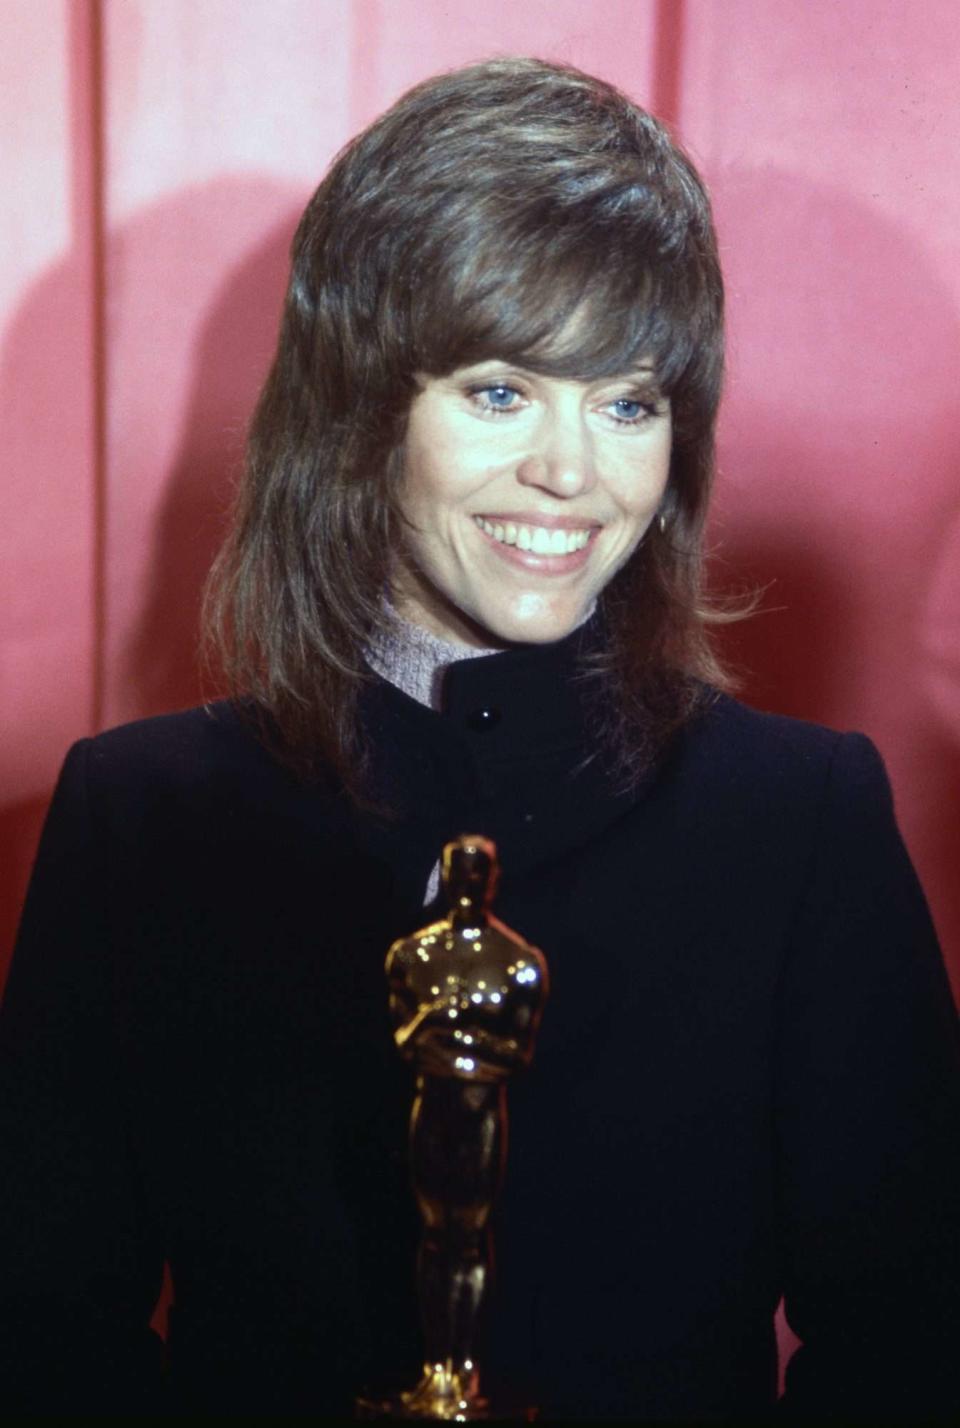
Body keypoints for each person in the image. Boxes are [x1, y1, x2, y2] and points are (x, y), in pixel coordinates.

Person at [1, 56, 959, 1421]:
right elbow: (49, 1343)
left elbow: (910, 1347)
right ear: (357, 407)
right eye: (502, 391)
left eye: (630, 403)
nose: (577, 473)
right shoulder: (136, 820)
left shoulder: (799, 820)